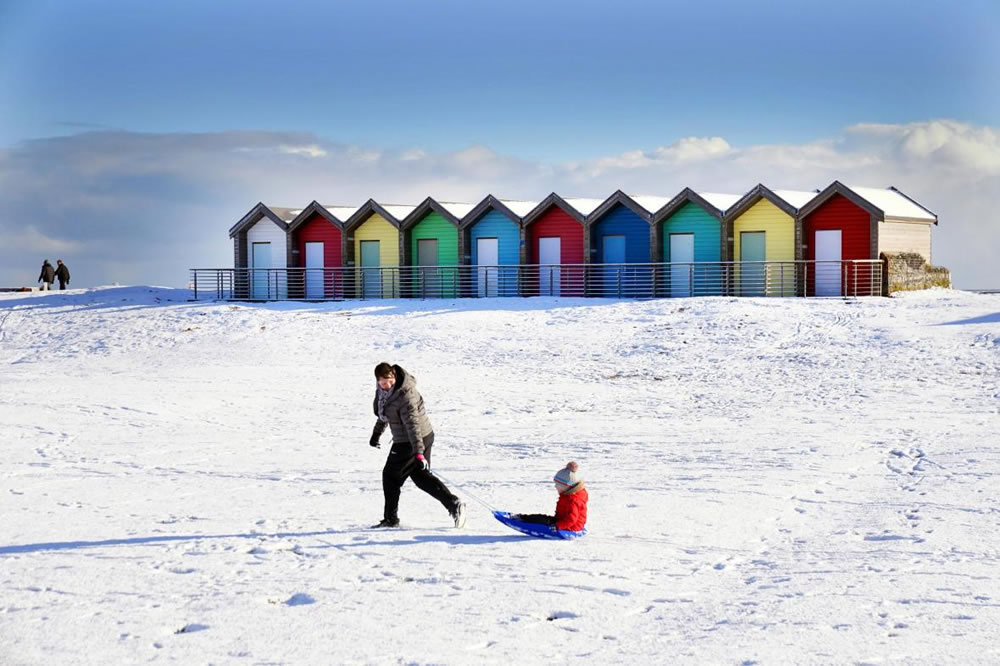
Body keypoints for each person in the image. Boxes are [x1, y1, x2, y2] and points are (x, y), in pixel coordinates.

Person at [369, 362, 466, 528]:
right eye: (383, 382)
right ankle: (454, 504)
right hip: (420, 437)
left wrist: (418, 452)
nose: (387, 385)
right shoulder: (384, 394)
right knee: (421, 477)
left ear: (394, 376)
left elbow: (412, 424)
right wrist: (376, 434)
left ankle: (391, 520)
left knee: (390, 477)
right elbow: (386, 414)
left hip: (412, 439)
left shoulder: (405, 395)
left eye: (390, 380)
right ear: (377, 381)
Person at [515, 462, 588, 532]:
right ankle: (522, 518)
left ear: (567, 487)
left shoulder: (574, 500)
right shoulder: (568, 494)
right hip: (562, 521)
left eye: (558, 485)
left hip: (571, 527)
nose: (555, 486)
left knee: (543, 521)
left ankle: (524, 520)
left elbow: (571, 520)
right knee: (541, 518)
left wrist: (557, 526)